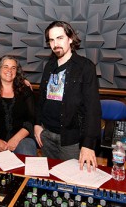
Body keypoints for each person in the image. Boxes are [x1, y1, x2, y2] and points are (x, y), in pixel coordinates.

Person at [34, 21, 101, 171]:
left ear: (70, 39)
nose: (55, 44)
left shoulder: (85, 67)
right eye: (51, 40)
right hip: (46, 135)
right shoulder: (49, 65)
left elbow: (93, 108)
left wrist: (88, 145)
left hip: (71, 139)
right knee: (49, 176)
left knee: (70, 180)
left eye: (60, 38)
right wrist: (37, 123)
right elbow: (41, 99)